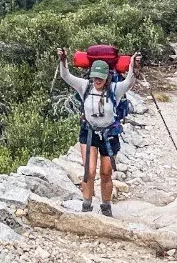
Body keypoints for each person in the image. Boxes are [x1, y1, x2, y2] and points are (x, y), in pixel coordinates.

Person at [56, 48, 139, 216]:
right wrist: (63, 60)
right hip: (88, 133)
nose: (97, 80)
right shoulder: (85, 86)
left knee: (106, 172)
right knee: (90, 170)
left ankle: (106, 207)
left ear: (107, 77)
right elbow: (66, 76)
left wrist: (133, 66)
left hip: (110, 134)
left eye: (100, 77)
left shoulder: (115, 89)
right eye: (95, 76)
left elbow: (129, 82)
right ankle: (86, 206)